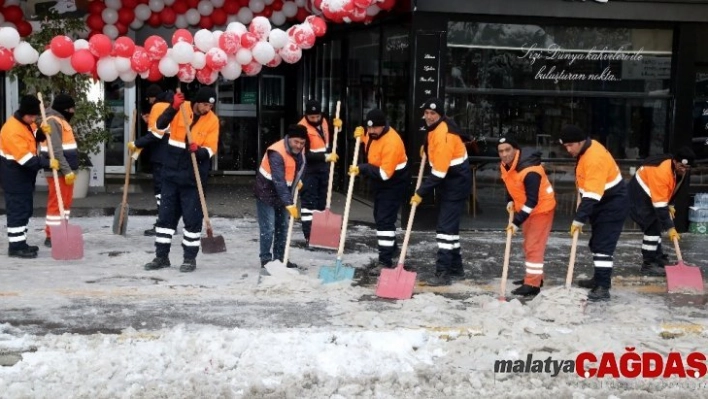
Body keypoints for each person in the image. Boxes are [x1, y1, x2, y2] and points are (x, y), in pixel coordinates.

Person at [139, 86, 219, 273]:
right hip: (171, 173)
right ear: (197, 102)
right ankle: (161, 257)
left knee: (192, 221)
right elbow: (159, 125)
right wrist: (173, 107)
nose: (207, 109)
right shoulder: (180, 109)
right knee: (165, 219)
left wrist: (198, 151)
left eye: (210, 106)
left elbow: (210, 149)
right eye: (205, 105)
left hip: (193, 177)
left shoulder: (212, 121)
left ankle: (189, 259)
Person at [559, 124, 628, 301]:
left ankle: (603, 287)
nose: (568, 150)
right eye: (565, 146)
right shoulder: (586, 149)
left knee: (603, 247)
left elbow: (592, 194)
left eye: (569, 145)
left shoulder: (594, 157)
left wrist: (578, 220)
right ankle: (598, 279)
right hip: (602, 202)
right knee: (596, 243)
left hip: (612, 204)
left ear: (580, 142)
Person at [410, 98, 472, 286]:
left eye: (433, 114)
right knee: (450, 229)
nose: (429, 117)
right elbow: (434, 146)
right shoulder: (436, 128)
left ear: (440, 115)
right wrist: (427, 150)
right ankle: (456, 269)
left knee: (444, 229)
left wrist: (420, 192)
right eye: (427, 113)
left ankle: (443, 273)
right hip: (450, 181)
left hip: (455, 182)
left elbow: (439, 173)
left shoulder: (444, 134)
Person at [348, 109, 409, 276]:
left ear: (384, 126)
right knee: (379, 215)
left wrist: (362, 168)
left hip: (393, 181)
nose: (372, 132)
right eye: (369, 129)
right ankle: (392, 249)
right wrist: (362, 138)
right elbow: (372, 142)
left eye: (375, 128)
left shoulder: (392, 143)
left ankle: (385, 261)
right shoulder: (375, 135)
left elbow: (384, 174)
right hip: (381, 181)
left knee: (384, 220)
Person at [497, 135, 556, 297]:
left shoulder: (530, 171)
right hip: (527, 209)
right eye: (501, 151)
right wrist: (510, 200)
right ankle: (536, 277)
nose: (504, 154)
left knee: (534, 247)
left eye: (508, 150)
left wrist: (516, 222)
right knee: (529, 245)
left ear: (516, 150)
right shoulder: (506, 165)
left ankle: (533, 285)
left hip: (541, 209)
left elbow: (532, 200)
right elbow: (509, 183)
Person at [0, 95, 58, 258]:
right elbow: (26, 159)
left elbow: (32, 139)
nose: (34, 119)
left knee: (25, 210)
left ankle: (21, 242)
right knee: (17, 211)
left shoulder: (27, 123)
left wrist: (40, 133)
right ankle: (16, 247)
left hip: (24, 177)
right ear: (23, 112)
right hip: (14, 177)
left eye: (35, 116)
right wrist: (47, 162)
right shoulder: (12, 130)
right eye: (31, 116)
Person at [628, 146, 695, 275]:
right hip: (639, 196)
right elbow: (659, 205)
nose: (684, 169)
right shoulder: (661, 171)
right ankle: (648, 264)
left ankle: (657, 258)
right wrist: (670, 228)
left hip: (653, 193)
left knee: (656, 226)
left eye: (687, 167)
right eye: (682, 166)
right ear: (675, 161)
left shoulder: (679, 169)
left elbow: (674, 187)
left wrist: (671, 203)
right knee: (652, 228)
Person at [254, 124, 307, 269]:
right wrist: (289, 203)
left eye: (302, 143)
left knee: (282, 227)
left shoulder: (300, 151)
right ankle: (265, 260)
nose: (299, 145)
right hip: (266, 192)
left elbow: (299, 167)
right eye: (296, 142)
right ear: (289, 139)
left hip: (284, 193)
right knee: (269, 228)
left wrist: (298, 180)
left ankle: (280, 258)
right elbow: (279, 180)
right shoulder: (276, 152)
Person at [128, 84, 173, 236]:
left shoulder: (158, 106)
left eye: (149, 99)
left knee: (161, 191)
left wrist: (136, 144)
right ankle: (169, 222)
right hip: (173, 154)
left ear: (153, 97)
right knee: (169, 191)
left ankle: (163, 223)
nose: (149, 102)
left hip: (162, 155)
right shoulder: (172, 105)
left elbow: (155, 134)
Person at [298, 99, 341, 247]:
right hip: (308, 169)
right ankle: (309, 236)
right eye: (312, 118)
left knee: (322, 202)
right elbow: (302, 155)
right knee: (309, 203)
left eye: (317, 116)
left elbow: (326, 141)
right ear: (306, 116)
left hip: (323, 168)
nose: (315, 120)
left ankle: (321, 234)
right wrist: (325, 157)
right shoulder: (301, 128)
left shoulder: (323, 122)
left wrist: (338, 128)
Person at [39, 94, 79, 248]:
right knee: (57, 203)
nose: (73, 111)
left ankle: (62, 229)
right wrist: (67, 170)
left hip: (65, 171)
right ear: (64, 109)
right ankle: (51, 234)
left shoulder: (60, 121)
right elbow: (56, 150)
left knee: (65, 203)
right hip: (60, 171)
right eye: (71, 108)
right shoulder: (53, 122)